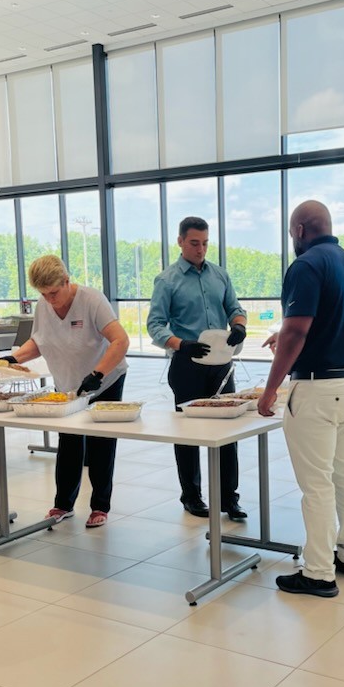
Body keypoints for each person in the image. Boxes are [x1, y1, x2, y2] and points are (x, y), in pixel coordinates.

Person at [257, 200, 344, 598]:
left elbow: (296, 332)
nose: (293, 240)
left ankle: (319, 572)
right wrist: (290, 335)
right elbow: (336, 322)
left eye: (292, 234)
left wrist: (272, 388)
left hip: (318, 391)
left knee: (317, 485)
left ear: (301, 230)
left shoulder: (305, 266)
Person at [0, 255, 129, 528]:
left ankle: (100, 506)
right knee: (68, 442)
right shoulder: (44, 307)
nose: (50, 300)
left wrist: (98, 374)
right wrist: (15, 358)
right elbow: (39, 341)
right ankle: (63, 504)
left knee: (100, 443)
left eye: (54, 293)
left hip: (105, 380)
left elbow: (120, 340)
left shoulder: (92, 300)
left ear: (67, 281)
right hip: (68, 383)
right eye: (43, 295)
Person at [147, 216, 248, 520]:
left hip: (220, 365)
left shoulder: (220, 275)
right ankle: (191, 496)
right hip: (187, 364)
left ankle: (229, 498)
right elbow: (154, 325)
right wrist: (180, 343)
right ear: (180, 241)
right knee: (188, 432)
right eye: (194, 243)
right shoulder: (167, 280)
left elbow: (235, 308)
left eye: (205, 243)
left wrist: (239, 325)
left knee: (227, 431)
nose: (201, 249)